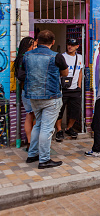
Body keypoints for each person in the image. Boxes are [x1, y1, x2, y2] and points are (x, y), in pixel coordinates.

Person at [23, 30, 68, 169]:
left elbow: (26, 70)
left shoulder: (27, 55)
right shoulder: (56, 56)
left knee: (38, 125)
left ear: (37, 41)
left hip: (33, 96)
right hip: (51, 96)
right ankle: (44, 159)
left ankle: (32, 154)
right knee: (47, 128)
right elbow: (65, 72)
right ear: (53, 42)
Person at [55, 39, 83, 142]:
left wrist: (79, 86)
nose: (70, 47)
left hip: (75, 89)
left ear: (77, 46)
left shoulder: (80, 57)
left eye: (72, 45)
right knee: (59, 110)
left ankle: (69, 128)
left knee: (75, 110)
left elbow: (80, 72)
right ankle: (59, 130)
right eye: (68, 45)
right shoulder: (62, 57)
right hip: (63, 88)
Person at [14, 37, 37, 151]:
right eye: (34, 45)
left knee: (30, 115)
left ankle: (30, 142)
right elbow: (22, 75)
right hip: (31, 91)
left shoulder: (21, 58)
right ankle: (32, 142)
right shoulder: (26, 58)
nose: (36, 47)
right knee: (35, 116)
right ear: (29, 46)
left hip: (25, 90)